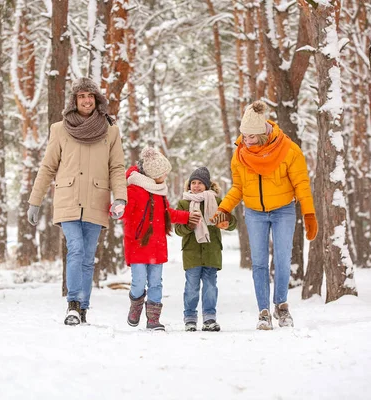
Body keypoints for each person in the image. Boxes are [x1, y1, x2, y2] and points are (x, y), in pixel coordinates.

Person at [27, 77, 127, 326]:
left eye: (90, 96)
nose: (86, 100)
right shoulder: (59, 129)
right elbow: (48, 166)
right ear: (75, 100)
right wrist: (35, 201)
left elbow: (116, 167)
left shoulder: (110, 130)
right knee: (76, 249)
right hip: (68, 198)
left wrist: (120, 198)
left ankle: (83, 308)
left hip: (97, 198)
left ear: (96, 100)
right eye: (81, 96)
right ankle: (72, 304)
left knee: (87, 256)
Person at [211, 100, 318, 330]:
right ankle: (263, 312)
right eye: (244, 136)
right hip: (254, 213)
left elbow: (301, 183)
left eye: (251, 137)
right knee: (259, 262)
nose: (246, 141)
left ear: (262, 134)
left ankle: (281, 306)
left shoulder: (289, 150)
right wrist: (223, 209)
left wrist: (309, 213)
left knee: (282, 259)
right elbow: (238, 188)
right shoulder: (240, 154)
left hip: (283, 210)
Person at [121, 147, 201, 331]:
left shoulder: (158, 191)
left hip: (156, 246)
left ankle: (153, 320)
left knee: (156, 282)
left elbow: (166, 214)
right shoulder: (133, 190)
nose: (165, 176)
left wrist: (186, 216)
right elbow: (123, 211)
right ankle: (136, 305)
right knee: (138, 282)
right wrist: (116, 209)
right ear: (152, 174)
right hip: (138, 245)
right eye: (163, 174)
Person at [175, 167, 237, 332]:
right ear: (189, 185)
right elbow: (178, 230)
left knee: (210, 286)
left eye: (200, 183)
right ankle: (190, 318)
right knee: (191, 287)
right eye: (193, 183)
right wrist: (189, 224)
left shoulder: (217, 201)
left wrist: (226, 220)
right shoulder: (183, 203)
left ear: (207, 185)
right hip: (191, 253)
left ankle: (209, 318)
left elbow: (232, 224)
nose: (196, 186)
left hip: (212, 251)